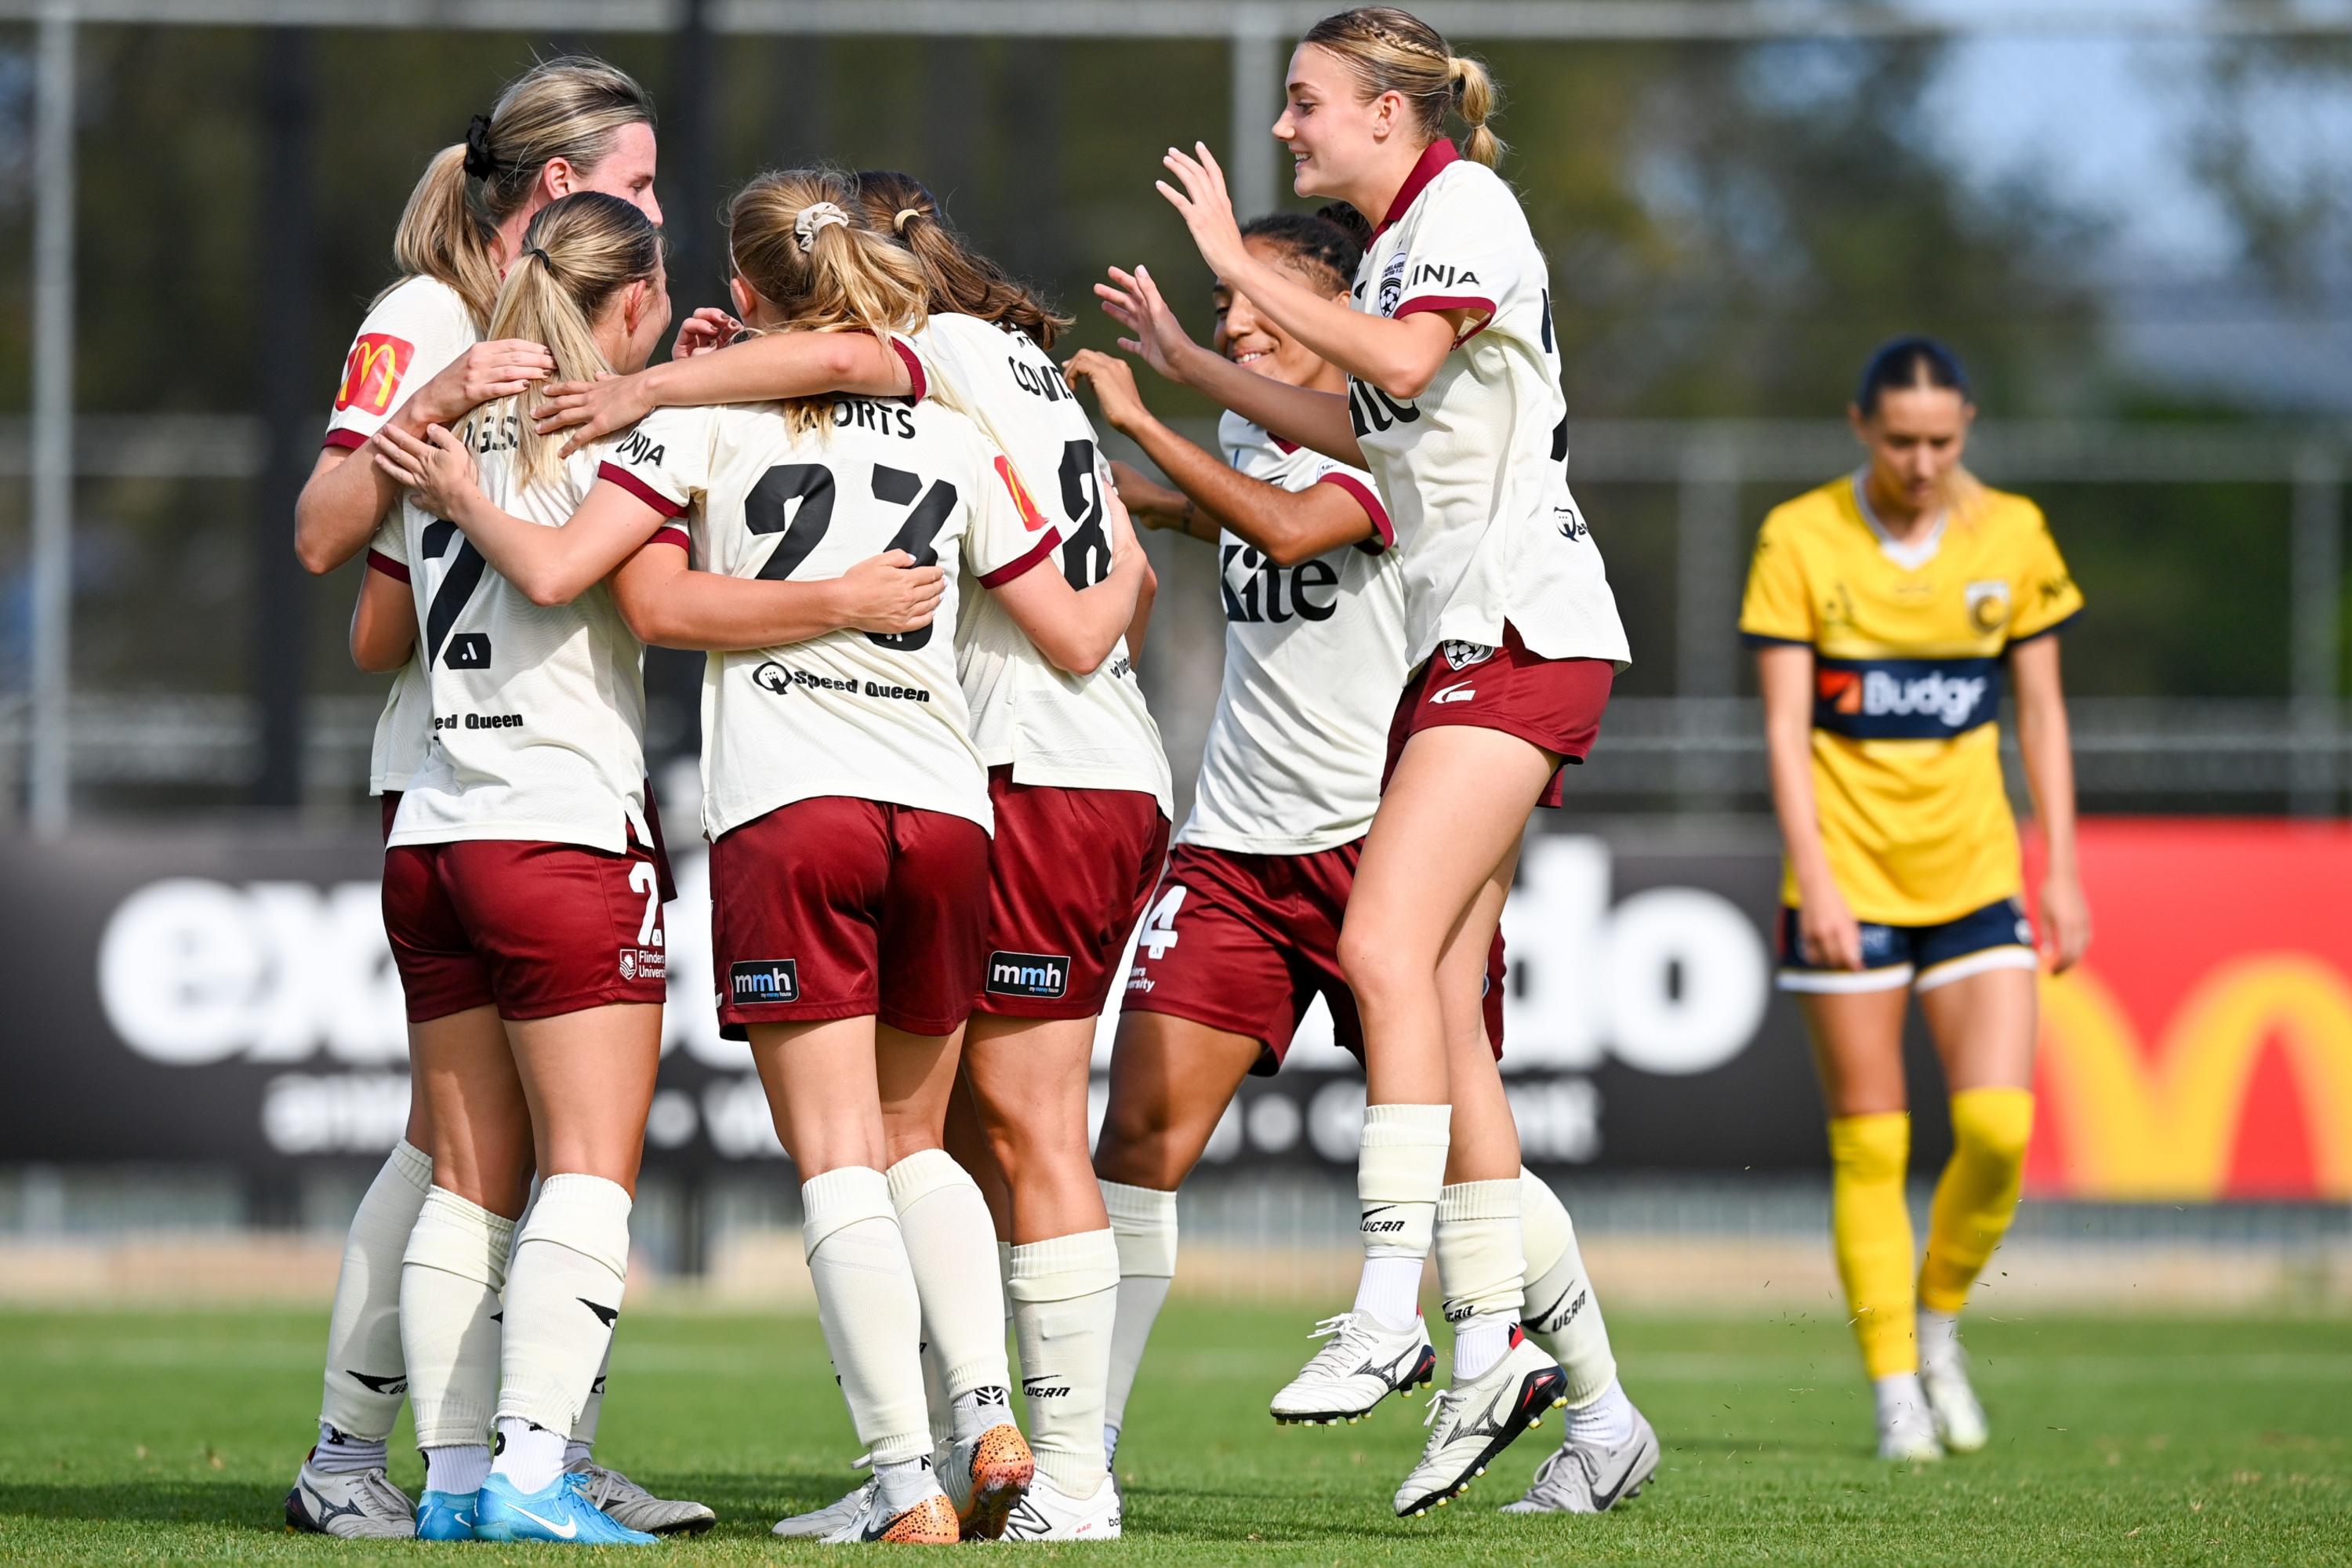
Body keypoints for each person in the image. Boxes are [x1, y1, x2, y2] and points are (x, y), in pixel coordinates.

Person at [533, 171, 1170, 1543]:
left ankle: (902, 1486)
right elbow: (1067, 614)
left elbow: (656, 603)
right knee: (915, 1142)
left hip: (793, 802)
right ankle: (995, 1423)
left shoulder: (706, 414)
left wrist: (670, 401)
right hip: (947, 808)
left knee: (837, 1161)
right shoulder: (951, 422)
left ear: (747, 294)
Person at [1103, 5, 1628, 1515]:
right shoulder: (1403, 244)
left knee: (1394, 947)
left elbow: (1376, 382)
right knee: (1447, 1040)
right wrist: (1198, 358)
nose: (1285, 127)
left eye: (1305, 100)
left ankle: (1399, 1313)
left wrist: (1231, 268)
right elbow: (1353, 414)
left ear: (1390, 114)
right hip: (1445, 670)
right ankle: (1553, 1391)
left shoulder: (1462, 209)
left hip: (1520, 632)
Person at [285, 56, 707, 1541]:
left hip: (478, 790)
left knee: (481, 1153)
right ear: (556, 192)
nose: (659, 213)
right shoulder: (431, 320)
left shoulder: (572, 346)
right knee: (477, 1149)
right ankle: (370, 1451)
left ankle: (502, 1464)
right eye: (640, 189)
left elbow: (393, 604)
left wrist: (654, 380)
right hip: (489, 776)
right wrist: (450, 420)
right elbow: (326, 538)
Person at [363, 191, 678, 1547]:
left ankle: (444, 1483)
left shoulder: (446, 428)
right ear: (632, 303)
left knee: (467, 1178)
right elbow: (568, 579)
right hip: (557, 829)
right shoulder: (621, 429)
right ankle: (534, 1473)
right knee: (591, 1173)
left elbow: (376, 624)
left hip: (436, 831)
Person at [1740, 336, 2087, 1461]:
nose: (1923, 462)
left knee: (1998, 1129)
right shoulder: (1800, 536)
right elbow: (1786, 732)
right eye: (1901, 440)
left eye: (1942, 440)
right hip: (1848, 876)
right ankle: (1896, 1393)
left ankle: (1939, 1324)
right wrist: (1822, 882)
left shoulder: (2015, 536)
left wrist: (2065, 869)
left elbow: (2040, 716)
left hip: (1977, 873)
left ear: (1968, 429)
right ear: (1860, 428)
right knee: (1872, 1147)